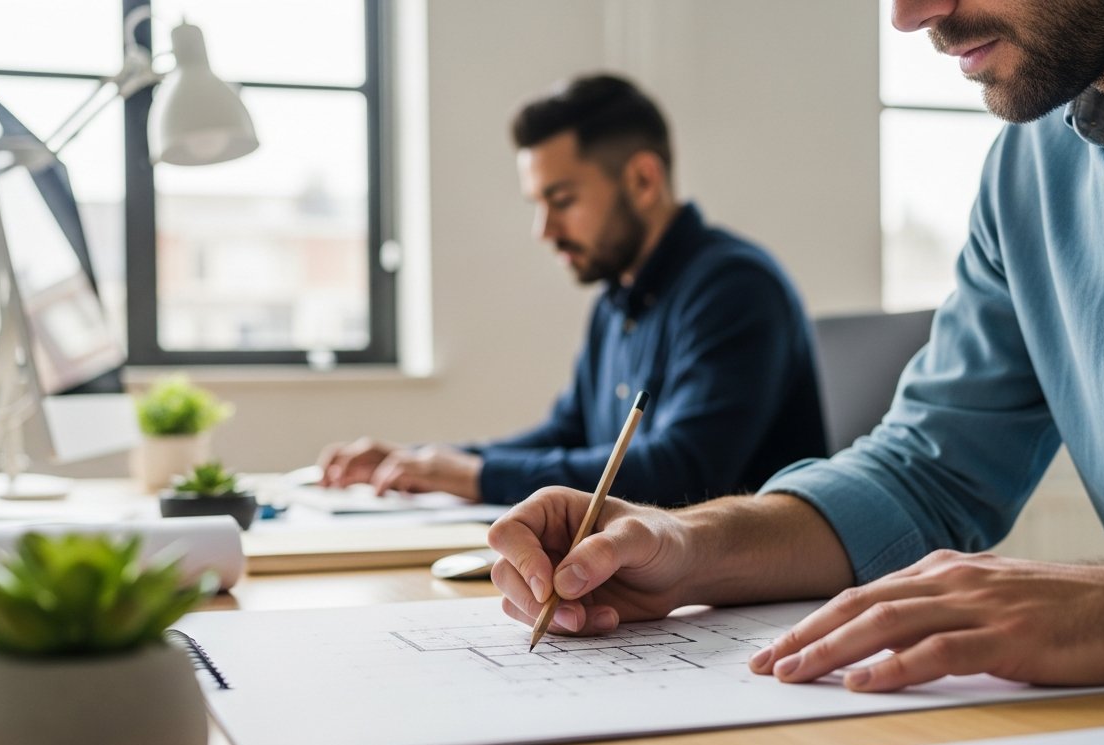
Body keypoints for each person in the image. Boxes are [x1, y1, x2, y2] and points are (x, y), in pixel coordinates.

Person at [490, 0, 1104, 691]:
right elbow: (925, 474)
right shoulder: (1029, 170)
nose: (909, 16)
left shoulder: (728, 281)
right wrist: (687, 546)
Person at [317, 74, 826, 507]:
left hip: (749, 607)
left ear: (643, 180)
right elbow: (566, 436)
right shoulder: (617, 300)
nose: (544, 229)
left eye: (561, 200)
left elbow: (683, 473)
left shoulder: (735, 289)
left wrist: (470, 477)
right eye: (537, 204)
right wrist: (425, 462)